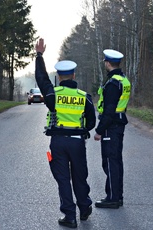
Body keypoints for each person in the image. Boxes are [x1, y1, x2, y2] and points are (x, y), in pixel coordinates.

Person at [35, 38, 96, 228]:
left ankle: (70, 216)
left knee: (62, 178)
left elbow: (41, 78)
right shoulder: (84, 96)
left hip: (58, 142)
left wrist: (39, 55)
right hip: (77, 142)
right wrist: (81, 130)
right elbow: (92, 122)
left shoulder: (53, 94)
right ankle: (84, 208)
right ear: (74, 75)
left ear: (59, 76)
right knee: (80, 176)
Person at [94, 49, 131, 209]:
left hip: (111, 126)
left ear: (108, 63)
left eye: (105, 62)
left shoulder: (113, 83)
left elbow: (109, 110)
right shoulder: (123, 80)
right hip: (119, 124)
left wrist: (99, 130)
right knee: (116, 161)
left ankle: (112, 198)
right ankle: (117, 196)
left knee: (109, 162)